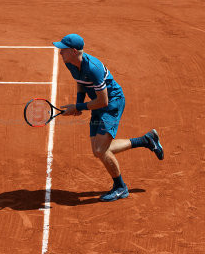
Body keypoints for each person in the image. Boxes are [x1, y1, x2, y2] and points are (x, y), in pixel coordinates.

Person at [53, 34, 164, 202]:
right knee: (98, 150)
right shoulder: (70, 63)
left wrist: (77, 107)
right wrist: (78, 103)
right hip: (97, 104)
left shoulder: (93, 68)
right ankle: (146, 140)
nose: (60, 52)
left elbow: (103, 101)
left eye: (63, 49)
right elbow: (80, 82)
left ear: (74, 51)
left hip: (111, 104)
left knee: (101, 150)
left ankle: (121, 188)